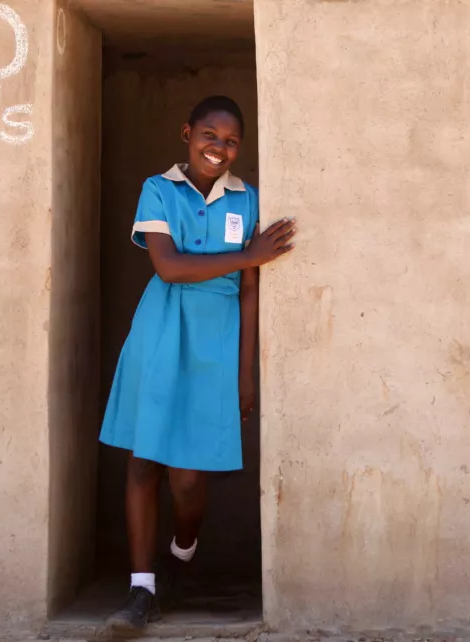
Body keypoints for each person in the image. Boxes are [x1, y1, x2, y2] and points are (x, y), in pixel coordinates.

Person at [100, 95, 296, 631]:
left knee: (187, 476)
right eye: (210, 135)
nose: (220, 148)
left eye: (231, 141)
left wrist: (246, 372)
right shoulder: (158, 190)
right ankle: (142, 591)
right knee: (143, 460)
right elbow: (166, 267)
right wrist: (246, 256)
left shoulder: (246, 200)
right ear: (187, 133)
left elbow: (250, 291)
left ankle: (184, 543)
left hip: (217, 340)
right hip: (160, 330)